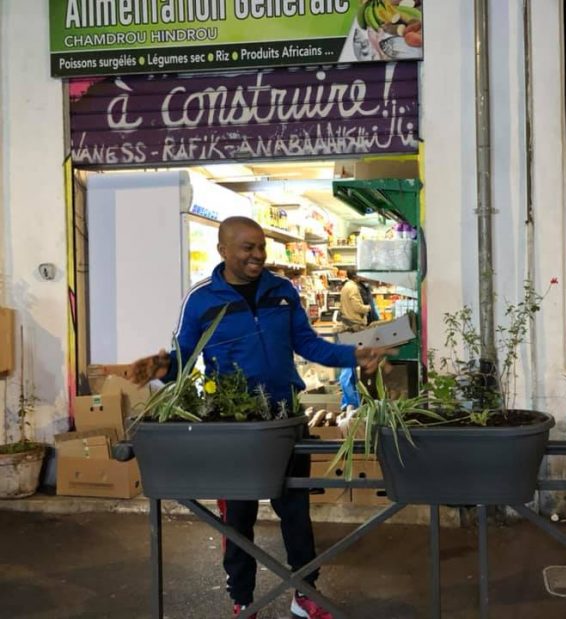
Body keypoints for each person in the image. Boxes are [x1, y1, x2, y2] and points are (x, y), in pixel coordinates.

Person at [128, 216, 390, 619]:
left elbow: (308, 344)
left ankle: (304, 594)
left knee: (296, 511)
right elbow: (182, 359)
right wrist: (161, 367)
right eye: (247, 248)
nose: (257, 255)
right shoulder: (201, 300)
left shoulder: (282, 292)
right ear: (223, 251)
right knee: (238, 518)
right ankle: (243, 600)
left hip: (286, 418)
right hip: (234, 427)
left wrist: (354, 356)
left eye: (261, 247)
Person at [337, 269, 374, 409]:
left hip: (348, 328)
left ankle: (349, 402)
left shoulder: (347, 286)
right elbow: (357, 307)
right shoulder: (352, 287)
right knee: (348, 369)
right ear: (355, 276)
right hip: (352, 329)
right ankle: (351, 402)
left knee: (350, 367)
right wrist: (368, 308)